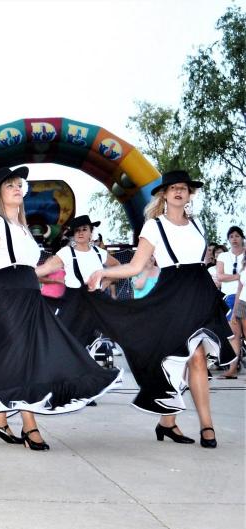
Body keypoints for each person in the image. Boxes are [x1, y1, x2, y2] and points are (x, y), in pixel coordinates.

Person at [0, 166, 119, 451]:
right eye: (10, 185)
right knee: (24, 357)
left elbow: (24, 267)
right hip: (7, 296)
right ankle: (29, 426)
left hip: (28, 295)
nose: (17, 188)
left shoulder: (22, 228)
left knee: (18, 357)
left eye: (19, 184)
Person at [87, 170, 235, 448]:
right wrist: (104, 273)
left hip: (201, 292)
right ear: (164, 194)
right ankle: (173, 423)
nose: (179, 191)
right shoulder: (153, 226)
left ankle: (201, 426)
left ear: (190, 194)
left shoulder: (198, 224)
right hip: (173, 294)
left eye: (184, 188)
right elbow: (136, 265)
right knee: (182, 357)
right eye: (173, 188)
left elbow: (200, 260)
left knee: (197, 357)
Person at [35, 215, 121, 347]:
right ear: (73, 234)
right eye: (77, 230)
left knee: (96, 339)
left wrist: (106, 282)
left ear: (91, 232)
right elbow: (46, 268)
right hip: (74, 302)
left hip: (96, 301)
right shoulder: (66, 252)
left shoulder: (99, 253)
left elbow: (118, 267)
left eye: (84, 229)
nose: (80, 232)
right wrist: (23, 273)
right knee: (66, 340)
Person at [215, 226, 244, 378]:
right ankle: (233, 368)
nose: (234, 239)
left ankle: (233, 367)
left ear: (242, 238)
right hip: (229, 297)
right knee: (234, 333)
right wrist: (240, 276)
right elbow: (220, 276)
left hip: (244, 295)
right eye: (231, 236)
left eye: (237, 235)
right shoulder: (223, 256)